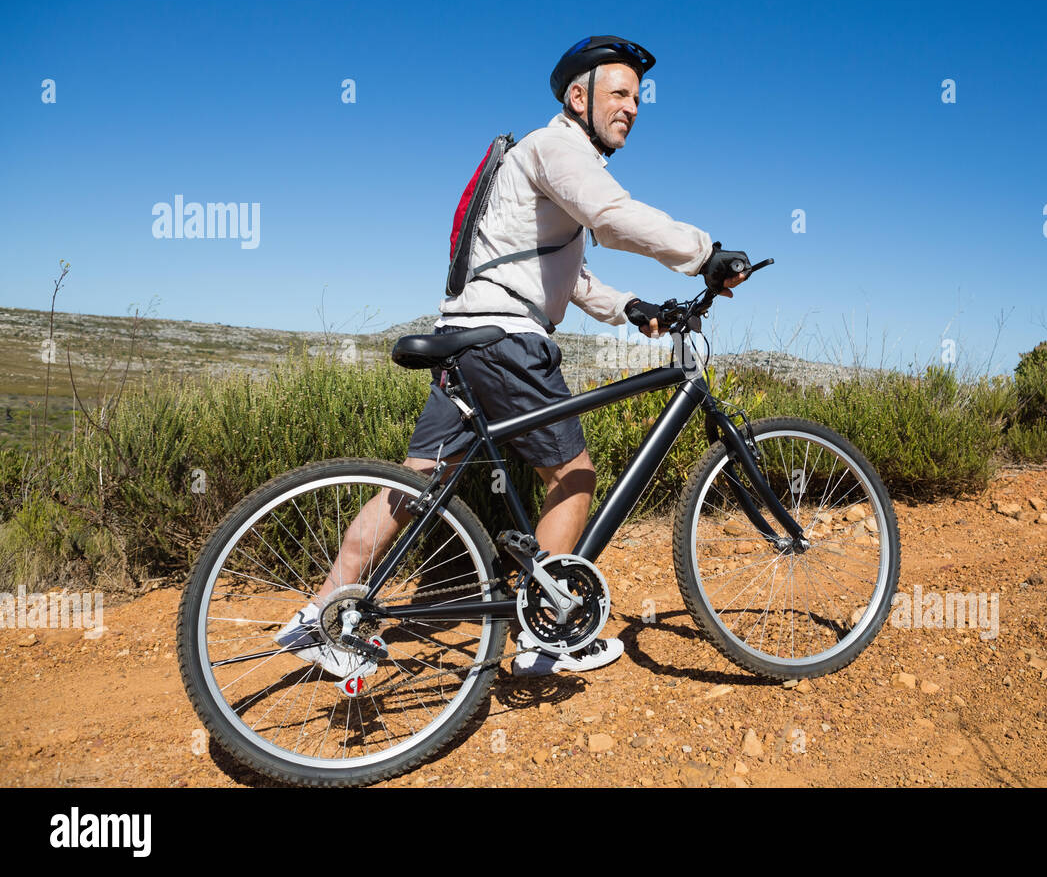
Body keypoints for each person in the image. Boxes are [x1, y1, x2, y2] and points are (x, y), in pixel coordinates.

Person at [276, 35, 750, 679]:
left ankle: (324, 615)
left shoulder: (536, 161)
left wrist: (633, 308)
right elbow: (611, 220)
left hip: (467, 336)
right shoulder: (558, 147)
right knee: (573, 476)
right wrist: (706, 252)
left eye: (638, 98)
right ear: (577, 97)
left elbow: (565, 276)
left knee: (418, 482)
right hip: (507, 342)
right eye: (619, 93)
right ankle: (546, 637)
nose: (632, 107)